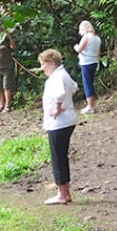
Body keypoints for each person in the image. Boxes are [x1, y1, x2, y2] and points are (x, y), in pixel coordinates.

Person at [38, 48, 78, 205]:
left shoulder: (57, 77)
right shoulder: (63, 74)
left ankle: (61, 193)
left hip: (59, 122)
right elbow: (74, 88)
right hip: (65, 120)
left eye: (43, 64)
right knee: (61, 156)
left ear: (51, 63)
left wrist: (58, 106)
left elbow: (61, 93)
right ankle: (65, 192)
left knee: (57, 158)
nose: (42, 68)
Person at [73, 20, 101, 114]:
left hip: (86, 62)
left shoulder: (86, 37)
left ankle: (90, 106)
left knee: (87, 84)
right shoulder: (97, 38)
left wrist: (75, 47)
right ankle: (91, 104)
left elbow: (79, 49)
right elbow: (99, 52)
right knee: (90, 83)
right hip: (94, 61)